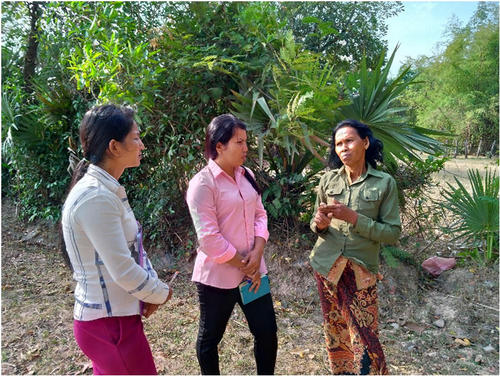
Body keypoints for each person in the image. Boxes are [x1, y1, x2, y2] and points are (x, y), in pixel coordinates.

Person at [61, 104, 172, 375]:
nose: (142, 145)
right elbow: (122, 269)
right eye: (135, 138)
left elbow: (134, 250)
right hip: (109, 327)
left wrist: (151, 291)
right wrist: (160, 292)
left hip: (114, 321)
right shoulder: (96, 197)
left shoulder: (105, 190)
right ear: (114, 146)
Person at [186, 114, 278, 375]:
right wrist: (244, 265)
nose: (246, 148)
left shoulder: (246, 174)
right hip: (218, 279)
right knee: (210, 339)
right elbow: (209, 239)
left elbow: (260, 214)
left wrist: (258, 252)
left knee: (267, 331)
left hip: (254, 276)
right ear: (219, 146)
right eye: (239, 142)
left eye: (246, 142)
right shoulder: (202, 184)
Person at [309, 119, 401, 375]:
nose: (343, 148)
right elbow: (315, 224)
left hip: (361, 270)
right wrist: (320, 223)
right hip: (326, 266)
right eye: (338, 144)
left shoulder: (384, 183)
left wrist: (353, 217)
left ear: (365, 142)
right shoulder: (328, 180)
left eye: (349, 141)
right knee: (335, 330)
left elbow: (392, 233)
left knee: (366, 337)